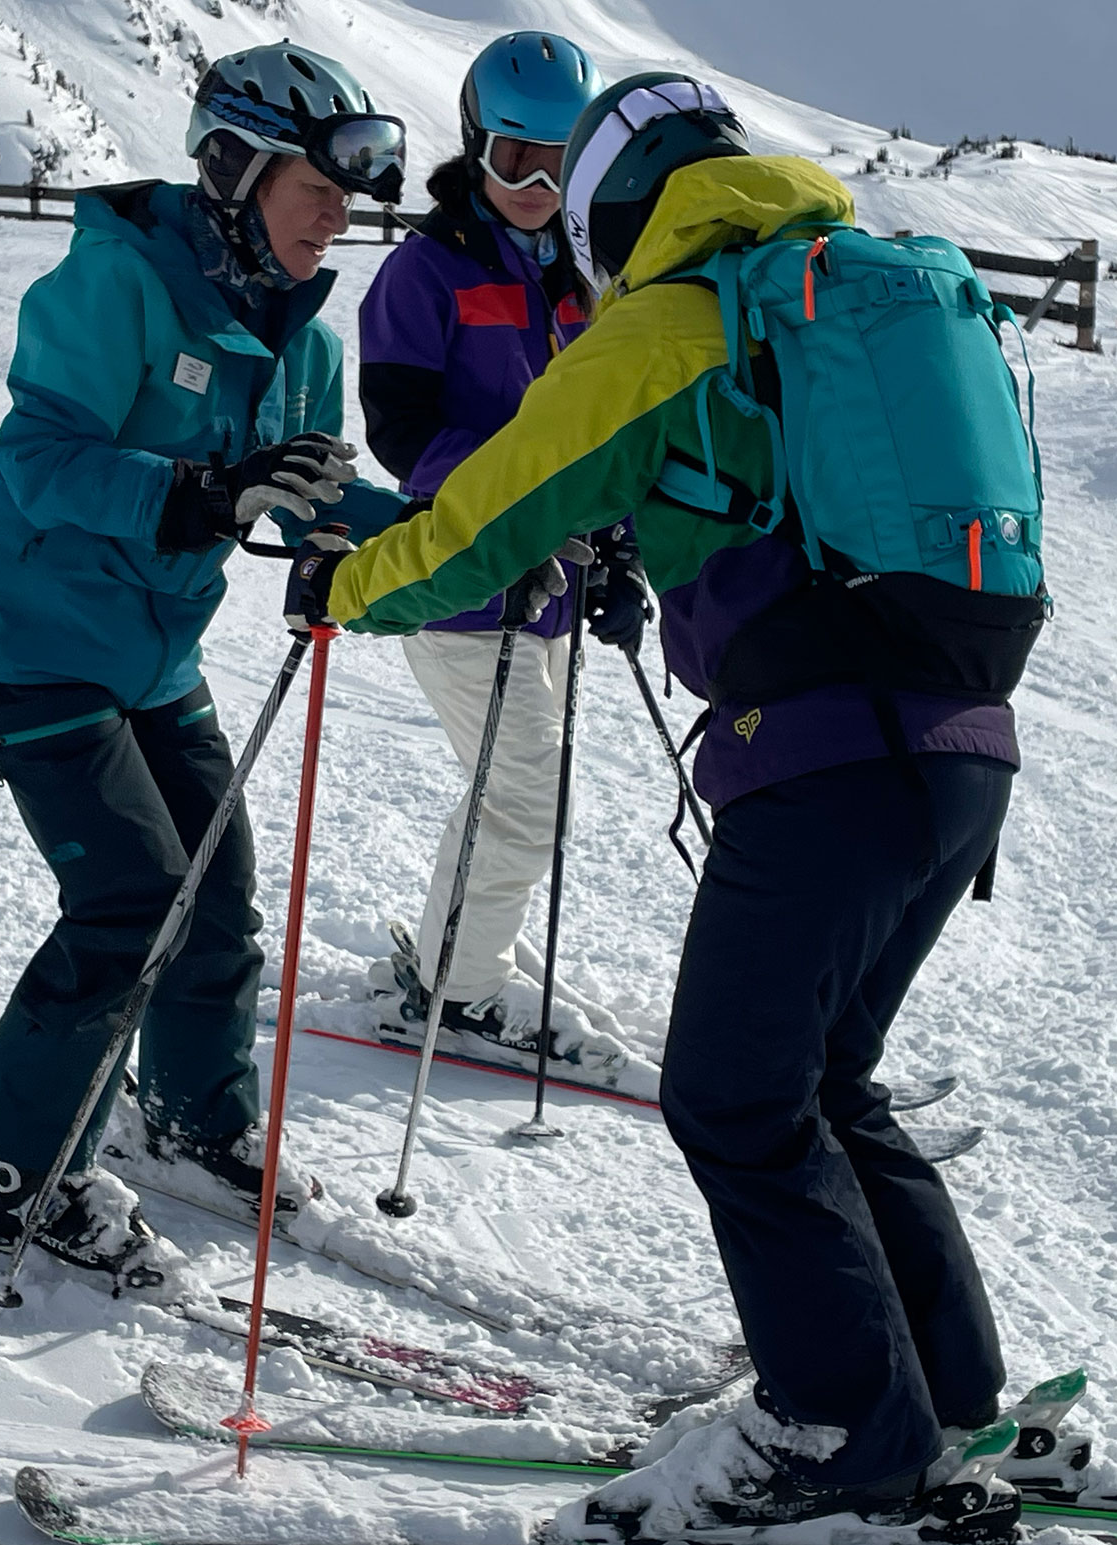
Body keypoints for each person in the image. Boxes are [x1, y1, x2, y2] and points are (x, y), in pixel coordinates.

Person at [285, 75, 1024, 1543]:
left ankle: (838, 1433)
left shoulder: (675, 323)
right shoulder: (844, 294)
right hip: (961, 748)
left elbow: (484, 522)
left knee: (736, 1099)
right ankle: (942, 1398)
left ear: (620, 207)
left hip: (821, 759)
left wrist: (346, 582)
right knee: (823, 1079)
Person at [0, 43, 408, 1281]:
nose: (337, 217)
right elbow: (41, 458)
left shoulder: (303, 339)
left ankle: (193, 1118)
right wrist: (200, 491)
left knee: (214, 889)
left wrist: (496, 546)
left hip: (147, 651)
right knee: (133, 895)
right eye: (318, 189)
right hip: (25, 635)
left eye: (350, 199)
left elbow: (314, 497)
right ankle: (9, 1163)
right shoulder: (118, 285)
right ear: (235, 169)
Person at [356, 32, 643, 1057]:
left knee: (522, 786)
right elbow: (402, 432)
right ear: (477, 147)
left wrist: (618, 553)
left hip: (553, 587)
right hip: (466, 580)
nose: (534, 182)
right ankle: (457, 995)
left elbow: (607, 434)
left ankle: (457, 954)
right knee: (525, 789)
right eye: (515, 157)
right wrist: (519, 506)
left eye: (559, 161)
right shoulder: (425, 273)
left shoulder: (587, 280)